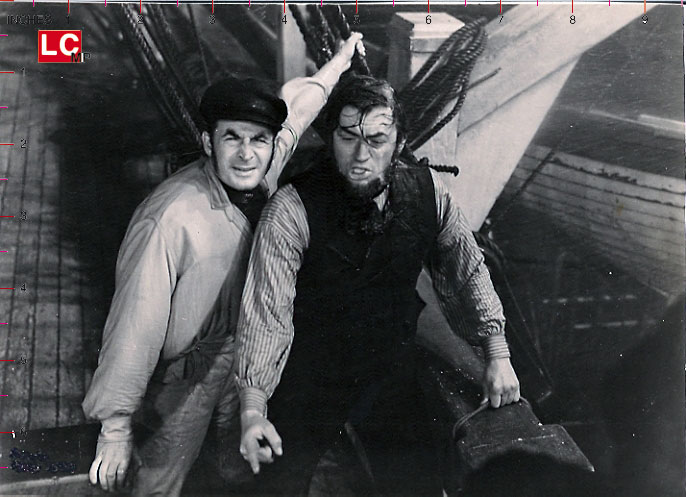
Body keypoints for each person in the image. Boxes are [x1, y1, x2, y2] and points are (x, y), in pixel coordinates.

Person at [81, 34, 366, 496]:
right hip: (181, 377)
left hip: (242, 355)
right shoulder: (169, 218)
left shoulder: (261, 173)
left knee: (238, 467)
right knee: (158, 480)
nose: (246, 153)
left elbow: (299, 109)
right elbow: (133, 328)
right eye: (232, 137)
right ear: (208, 142)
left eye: (259, 140)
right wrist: (114, 429)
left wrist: (339, 62)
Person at [235, 74, 521, 496]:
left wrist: (497, 354)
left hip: (388, 368)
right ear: (330, 138)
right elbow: (266, 314)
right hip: (308, 376)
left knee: (415, 485)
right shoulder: (291, 210)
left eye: (377, 139)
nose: (360, 156)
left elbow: (467, 270)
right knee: (276, 486)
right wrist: (253, 409)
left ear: (399, 142)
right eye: (348, 137)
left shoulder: (429, 193)